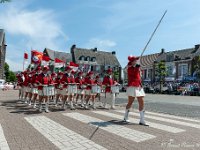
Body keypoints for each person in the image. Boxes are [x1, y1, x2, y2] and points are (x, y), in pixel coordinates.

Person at [123, 55, 148, 126]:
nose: (136, 61)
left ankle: (142, 120)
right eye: (135, 60)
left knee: (142, 101)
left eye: (136, 60)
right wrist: (137, 67)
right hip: (132, 86)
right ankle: (126, 116)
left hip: (139, 86)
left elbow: (139, 77)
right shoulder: (129, 68)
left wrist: (138, 68)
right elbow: (134, 74)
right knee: (130, 102)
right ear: (132, 61)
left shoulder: (137, 68)